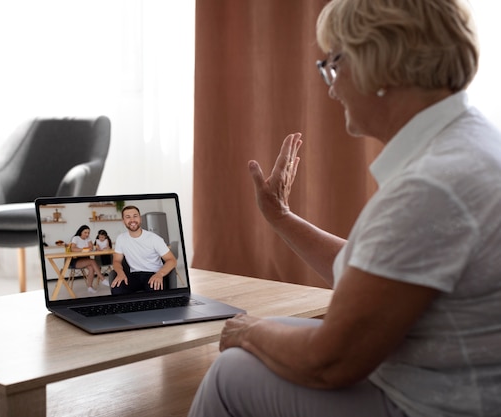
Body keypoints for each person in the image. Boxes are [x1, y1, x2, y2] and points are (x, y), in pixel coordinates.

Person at [188, 1, 501, 416]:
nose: (331, 85)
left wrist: (249, 333)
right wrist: (280, 216)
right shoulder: (470, 143)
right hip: (453, 379)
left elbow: (329, 362)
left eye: (334, 62)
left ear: (381, 60)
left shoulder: (432, 183)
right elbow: (375, 277)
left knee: (232, 372)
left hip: (434, 403)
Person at [110, 205, 177, 295]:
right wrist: (120, 273)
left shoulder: (154, 238)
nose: (132, 220)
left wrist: (160, 274)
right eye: (128, 217)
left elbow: (172, 260)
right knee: (117, 288)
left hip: (154, 274)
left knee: (154, 290)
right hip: (134, 275)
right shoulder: (121, 239)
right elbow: (116, 260)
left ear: (140, 218)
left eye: (135, 216)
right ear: (123, 221)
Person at [69, 225, 108, 293]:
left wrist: (89, 248)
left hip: (86, 259)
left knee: (91, 268)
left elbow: (91, 247)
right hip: (75, 261)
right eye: (85, 232)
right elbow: (73, 249)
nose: (87, 234)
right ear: (81, 232)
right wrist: (83, 249)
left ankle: (90, 287)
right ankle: (102, 279)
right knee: (92, 261)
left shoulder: (88, 238)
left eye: (88, 233)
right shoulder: (76, 238)